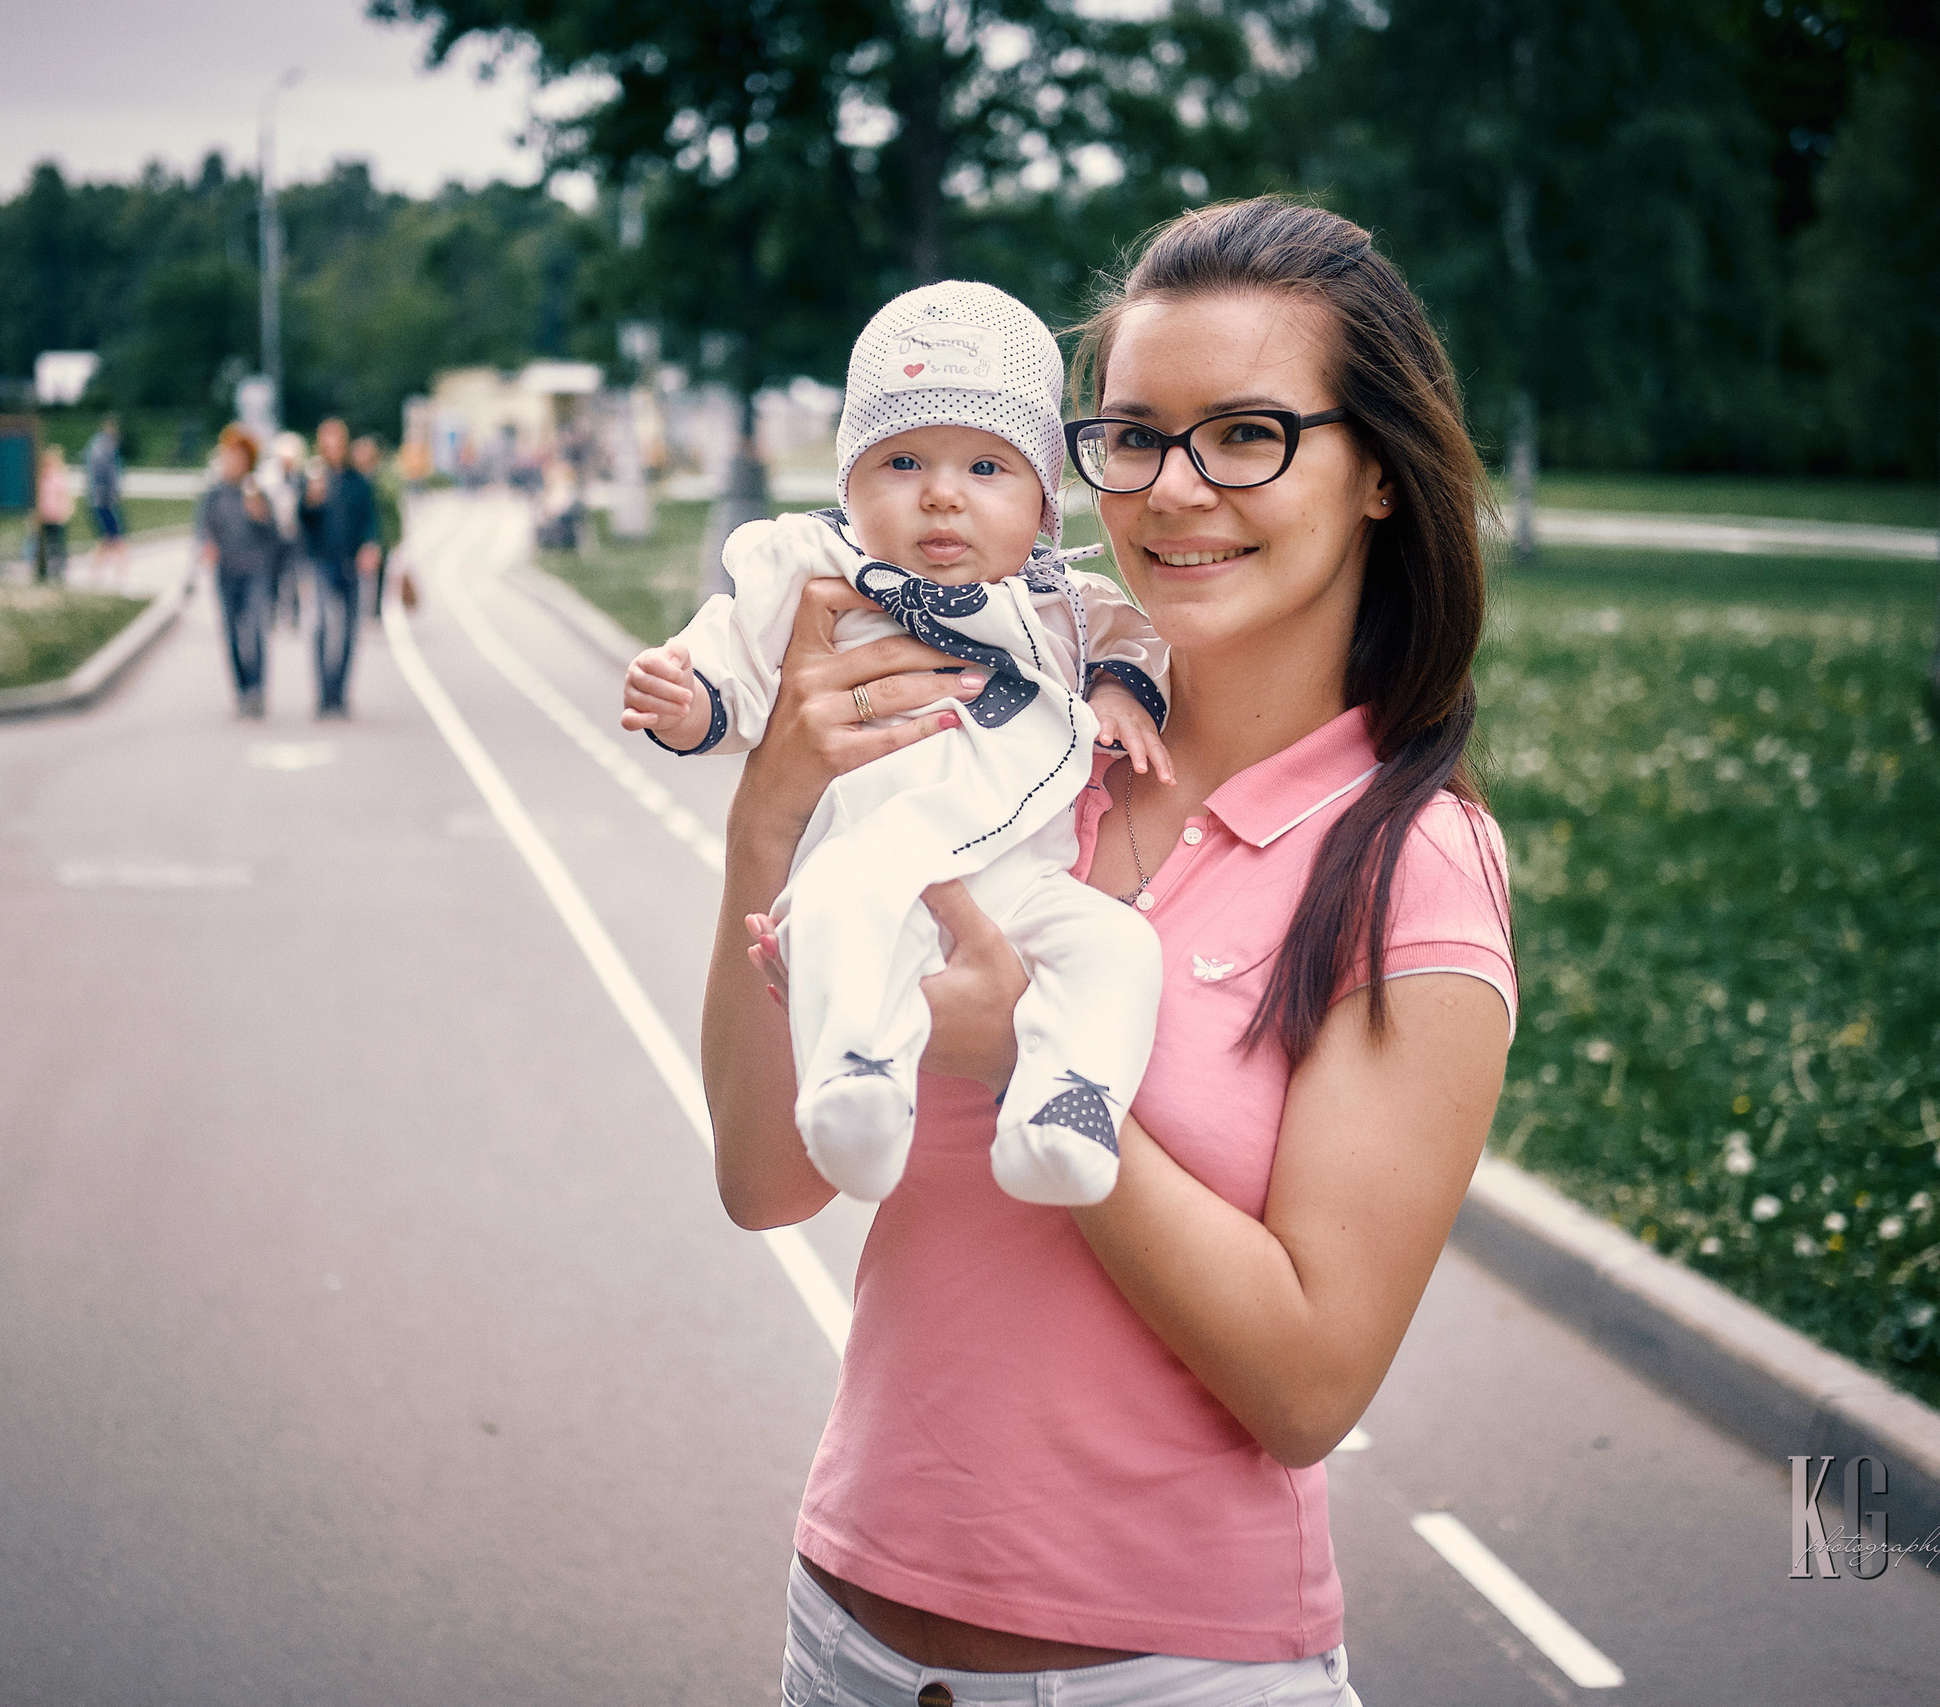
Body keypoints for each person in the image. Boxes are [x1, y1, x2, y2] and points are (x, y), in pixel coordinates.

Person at [703, 198, 1516, 1706]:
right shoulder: (1021, 754)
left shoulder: (1410, 860)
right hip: (847, 1637)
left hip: (1171, 1676)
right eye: (1133, 435)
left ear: (1383, 476)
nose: (1175, 489)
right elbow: (768, 1181)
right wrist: (773, 818)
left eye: (1247, 435)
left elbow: (1307, 1382)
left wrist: (1025, 1053)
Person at [626, 281, 1171, 1207]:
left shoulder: (1070, 607)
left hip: (1023, 886)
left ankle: (1067, 1102)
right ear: (850, 486)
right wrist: (688, 700)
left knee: (1120, 948)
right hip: (877, 855)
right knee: (831, 909)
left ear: (1044, 503)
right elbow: (735, 649)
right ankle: (855, 1081)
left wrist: (1120, 692)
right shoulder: (819, 568)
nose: (943, 496)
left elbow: (1135, 643)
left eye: (987, 469)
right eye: (905, 461)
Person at [299, 417, 380, 716]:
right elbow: (302, 520)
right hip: (321, 560)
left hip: (351, 561)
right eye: (326, 443)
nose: (332, 448)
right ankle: (322, 693)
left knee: (349, 630)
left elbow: (370, 518)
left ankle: (339, 693)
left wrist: (370, 544)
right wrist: (310, 501)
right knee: (320, 626)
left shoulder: (357, 481)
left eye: (336, 442)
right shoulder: (312, 477)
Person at [194, 423, 276, 718]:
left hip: (255, 570)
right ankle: (242, 690)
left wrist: (261, 515)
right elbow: (203, 529)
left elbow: (275, 535)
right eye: (231, 455)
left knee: (254, 631)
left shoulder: (257, 492)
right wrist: (207, 545)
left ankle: (257, 689)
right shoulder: (215, 494)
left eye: (240, 456)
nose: (234, 461)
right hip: (226, 571)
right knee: (230, 634)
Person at [260, 431, 310, 631]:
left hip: (295, 536)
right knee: (273, 576)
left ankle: (294, 615)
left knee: (294, 577)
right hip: (274, 537)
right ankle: (271, 613)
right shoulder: (270, 477)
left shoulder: (300, 479)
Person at [352, 433, 402, 618]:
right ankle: (362, 608)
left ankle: (376, 610)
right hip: (359, 533)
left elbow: (393, 502)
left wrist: (396, 537)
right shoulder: (352, 475)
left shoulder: (383, 474)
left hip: (383, 532)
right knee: (359, 572)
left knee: (380, 572)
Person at [83, 415, 128, 583]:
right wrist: (112, 495)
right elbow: (106, 476)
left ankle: (99, 574)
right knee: (115, 539)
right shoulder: (104, 448)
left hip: (103, 500)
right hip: (104, 501)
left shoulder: (98, 446)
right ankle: (119, 576)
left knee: (110, 539)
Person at [32, 444, 74, 584]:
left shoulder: (57, 477)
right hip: (43, 516)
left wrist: (64, 511)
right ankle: (42, 568)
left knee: (57, 544)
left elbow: (62, 495)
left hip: (55, 516)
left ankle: (59, 569)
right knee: (42, 543)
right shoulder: (41, 477)